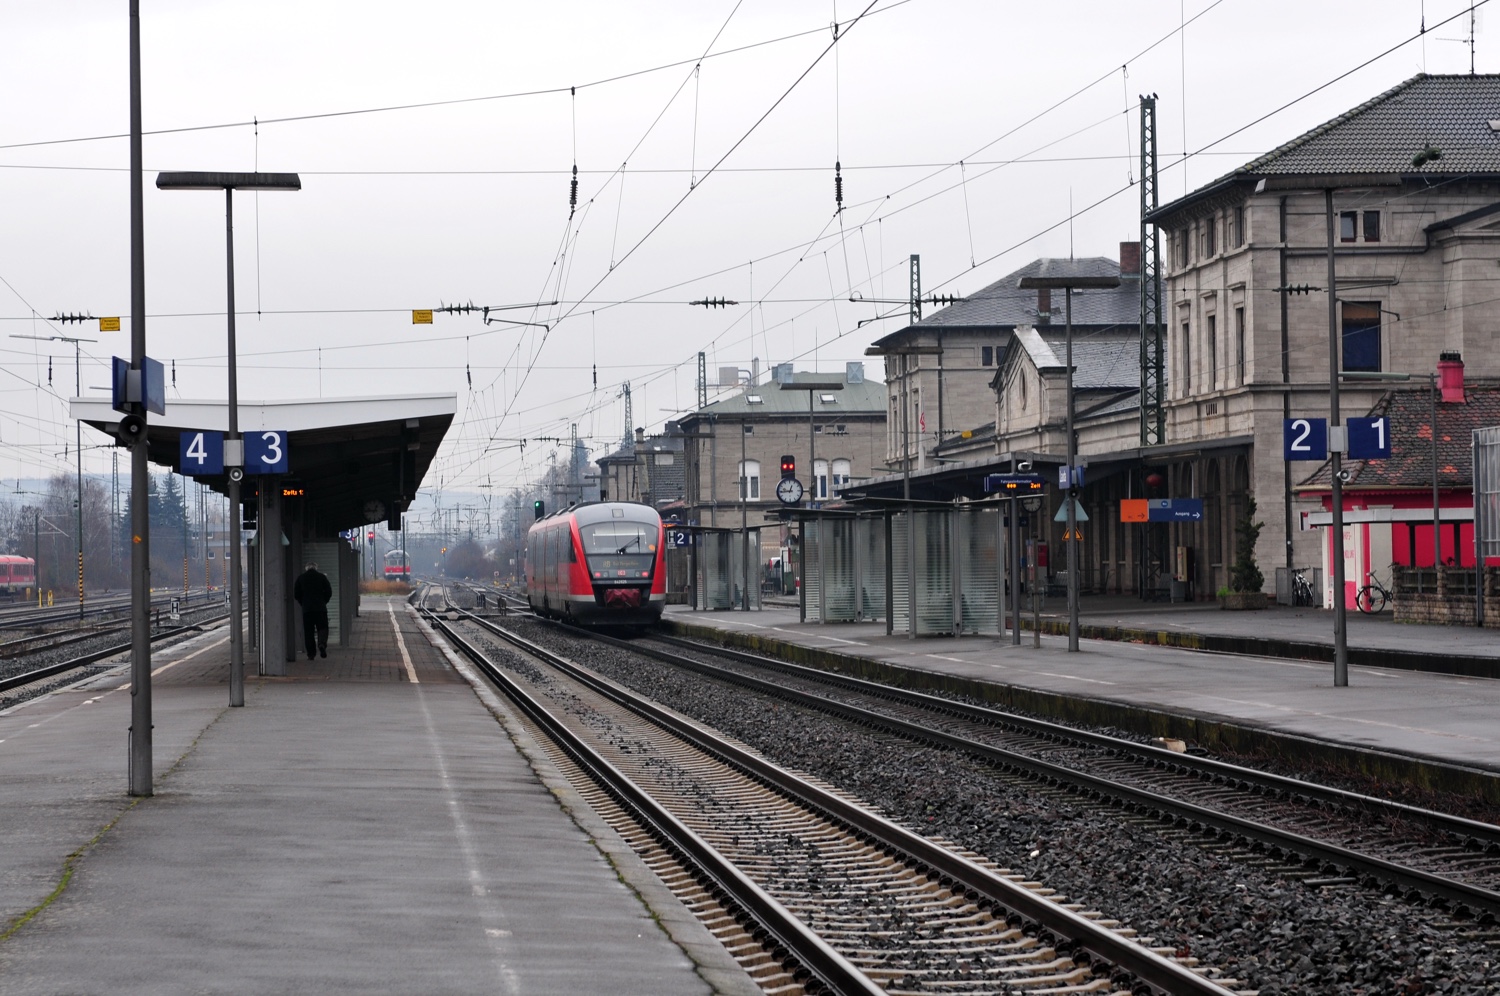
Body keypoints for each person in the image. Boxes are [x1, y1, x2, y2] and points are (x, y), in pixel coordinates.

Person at [293, 561, 333, 659]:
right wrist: (324, 601)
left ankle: (311, 654)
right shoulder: (322, 577)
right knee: (323, 628)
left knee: (309, 631)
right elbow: (329, 591)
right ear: (316, 568)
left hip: (307, 609)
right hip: (320, 608)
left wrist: (303, 603)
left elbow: (296, 594)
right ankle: (322, 644)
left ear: (306, 568)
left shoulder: (301, 578)